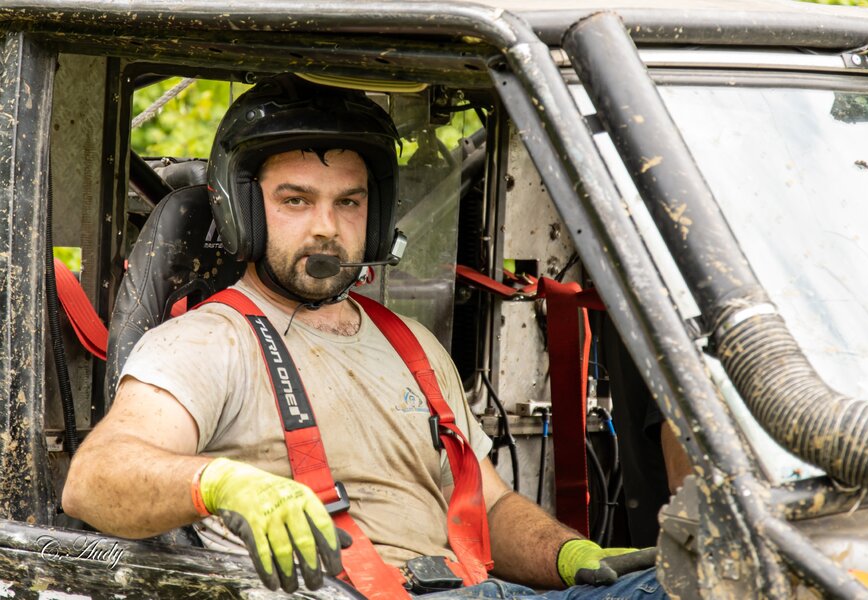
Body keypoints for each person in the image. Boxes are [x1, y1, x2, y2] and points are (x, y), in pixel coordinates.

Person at [62, 73, 668, 599]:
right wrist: (220, 483)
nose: (327, 228)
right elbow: (94, 481)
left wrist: (570, 556)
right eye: (296, 201)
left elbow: (489, 507)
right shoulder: (207, 342)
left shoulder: (413, 344)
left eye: (349, 202)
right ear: (244, 212)